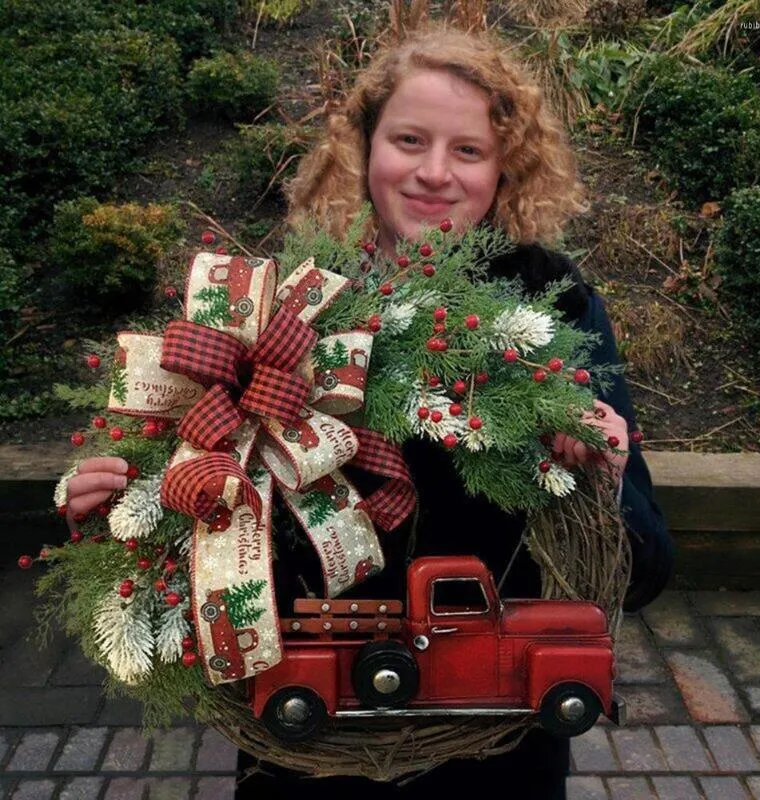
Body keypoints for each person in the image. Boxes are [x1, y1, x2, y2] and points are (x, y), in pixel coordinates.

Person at [67, 24, 674, 799]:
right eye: (409, 139)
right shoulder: (288, 304)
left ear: (505, 168)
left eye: (468, 150)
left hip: (493, 743)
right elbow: (202, 491)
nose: (433, 173)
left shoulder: (555, 314)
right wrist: (129, 507)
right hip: (310, 734)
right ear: (363, 149)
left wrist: (609, 469)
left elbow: (645, 571)